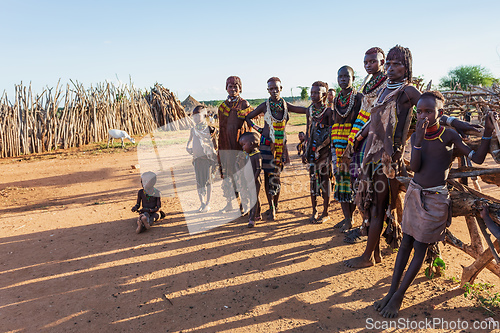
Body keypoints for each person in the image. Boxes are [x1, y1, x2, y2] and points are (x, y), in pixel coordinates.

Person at [345, 45, 481, 268]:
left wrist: (457, 123)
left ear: (406, 66)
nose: (390, 68)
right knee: (370, 205)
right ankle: (374, 253)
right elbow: (376, 119)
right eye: (388, 64)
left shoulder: (407, 91)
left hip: (387, 160)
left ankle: (367, 257)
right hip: (371, 155)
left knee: (378, 207)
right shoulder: (383, 90)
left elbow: (431, 109)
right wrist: (359, 135)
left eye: (396, 64)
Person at [374, 91, 495, 318]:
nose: (423, 116)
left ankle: (399, 297)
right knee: (405, 243)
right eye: (419, 112)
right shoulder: (416, 138)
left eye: (429, 111)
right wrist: (418, 141)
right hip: (414, 194)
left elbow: (476, 158)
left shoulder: (448, 135)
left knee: (419, 248)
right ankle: (391, 292)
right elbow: (415, 168)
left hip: (436, 200)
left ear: (440, 113)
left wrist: (487, 132)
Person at [245, 77, 306, 220]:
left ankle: (276, 205)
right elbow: (248, 118)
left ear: (281, 88)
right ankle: (271, 207)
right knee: (267, 176)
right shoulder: (264, 106)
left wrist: (318, 107)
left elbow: (303, 110)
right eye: (271, 89)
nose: (273, 91)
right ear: (268, 90)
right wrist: (259, 129)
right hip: (266, 145)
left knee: (276, 176)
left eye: (276, 88)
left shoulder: (286, 105)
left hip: (281, 146)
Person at [343, 47, 387, 243]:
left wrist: (362, 135)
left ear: (382, 62)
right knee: (357, 181)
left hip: (372, 136)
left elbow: (380, 113)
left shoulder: (386, 83)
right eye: (366, 62)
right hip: (360, 134)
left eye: (373, 61)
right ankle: (364, 225)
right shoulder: (369, 83)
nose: (368, 65)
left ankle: (368, 227)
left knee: (367, 183)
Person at [331, 66, 363, 232]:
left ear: (353, 78)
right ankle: (347, 219)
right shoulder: (336, 100)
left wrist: (352, 144)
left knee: (353, 182)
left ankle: (354, 220)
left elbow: (363, 121)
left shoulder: (358, 98)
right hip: (338, 147)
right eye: (340, 76)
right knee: (341, 182)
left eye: (346, 76)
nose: (343, 79)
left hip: (354, 147)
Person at [218, 76, 253, 213]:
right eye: (230, 86)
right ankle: (229, 203)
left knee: (242, 175)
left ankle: (244, 204)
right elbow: (221, 128)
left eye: (235, 86)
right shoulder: (222, 107)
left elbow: (250, 124)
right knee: (228, 175)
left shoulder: (244, 105)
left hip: (240, 146)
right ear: (226, 88)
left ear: (240, 88)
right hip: (226, 146)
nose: (233, 89)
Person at [304, 81, 333, 224]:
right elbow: (307, 130)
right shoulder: (309, 110)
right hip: (312, 150)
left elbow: (331, 132)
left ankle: (325, 212)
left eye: (317, 93)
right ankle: (314, 210)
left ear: (324, 95)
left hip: (324, 152)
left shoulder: (328, 112)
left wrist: (321, 148)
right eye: (312, 92)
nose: (314, 95)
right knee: (313, 180)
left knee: (325, 179)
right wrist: (306, 149)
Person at [186, 105, 218, 213]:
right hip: (197, 160)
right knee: (199, 181)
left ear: (204, 116)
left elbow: (215, 145)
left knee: (208, 181)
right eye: (194, 116)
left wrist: (209, 150)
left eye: (198, 116)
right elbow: (189, 142)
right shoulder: (193, 130)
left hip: (207, 160)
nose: (195, 118)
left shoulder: (210, 129)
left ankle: (208, 203)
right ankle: (202, 203)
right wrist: (188, 148)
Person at [235, 132, 262, 227]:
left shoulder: (256, 155)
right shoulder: (248, 154)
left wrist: (253, 181)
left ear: (251, 144)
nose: (242, 148)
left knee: (253, 199)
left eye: (243, 145)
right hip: (249, 180)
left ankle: (252, 219)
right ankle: (258, 214)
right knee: (254, 197)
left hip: (255, 181)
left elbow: (258, 169)